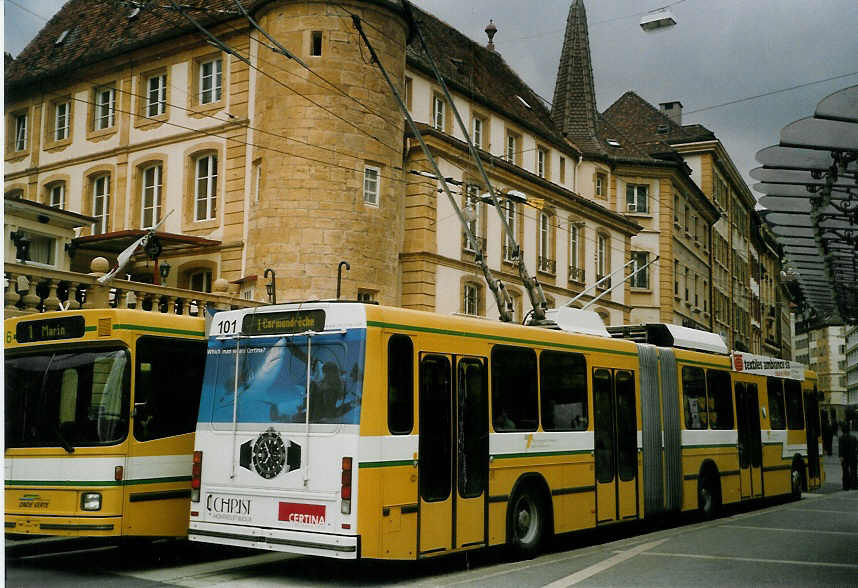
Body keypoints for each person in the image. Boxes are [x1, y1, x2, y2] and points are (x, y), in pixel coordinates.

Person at [838, 421, 857, 491]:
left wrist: (841, 456)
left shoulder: (841, 438)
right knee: (854, 471)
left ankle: (846, 486)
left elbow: (841, 448)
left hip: (845, 457)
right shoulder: (854, 437)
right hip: (853, 457)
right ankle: (854, 485)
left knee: (845, 471)